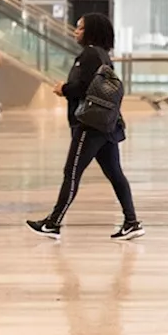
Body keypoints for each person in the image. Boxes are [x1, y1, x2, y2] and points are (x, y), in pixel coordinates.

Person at [27, 13, 143, 241]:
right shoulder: (102, 55)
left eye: (79, 28)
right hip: (106, 125)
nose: (75, 31)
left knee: (71, 172)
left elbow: (86, 87)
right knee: (114, 173)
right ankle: (131, 221)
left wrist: (65, 89)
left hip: (89, 125)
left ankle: (53, 222)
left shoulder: (90, 54)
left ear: (90, 31)